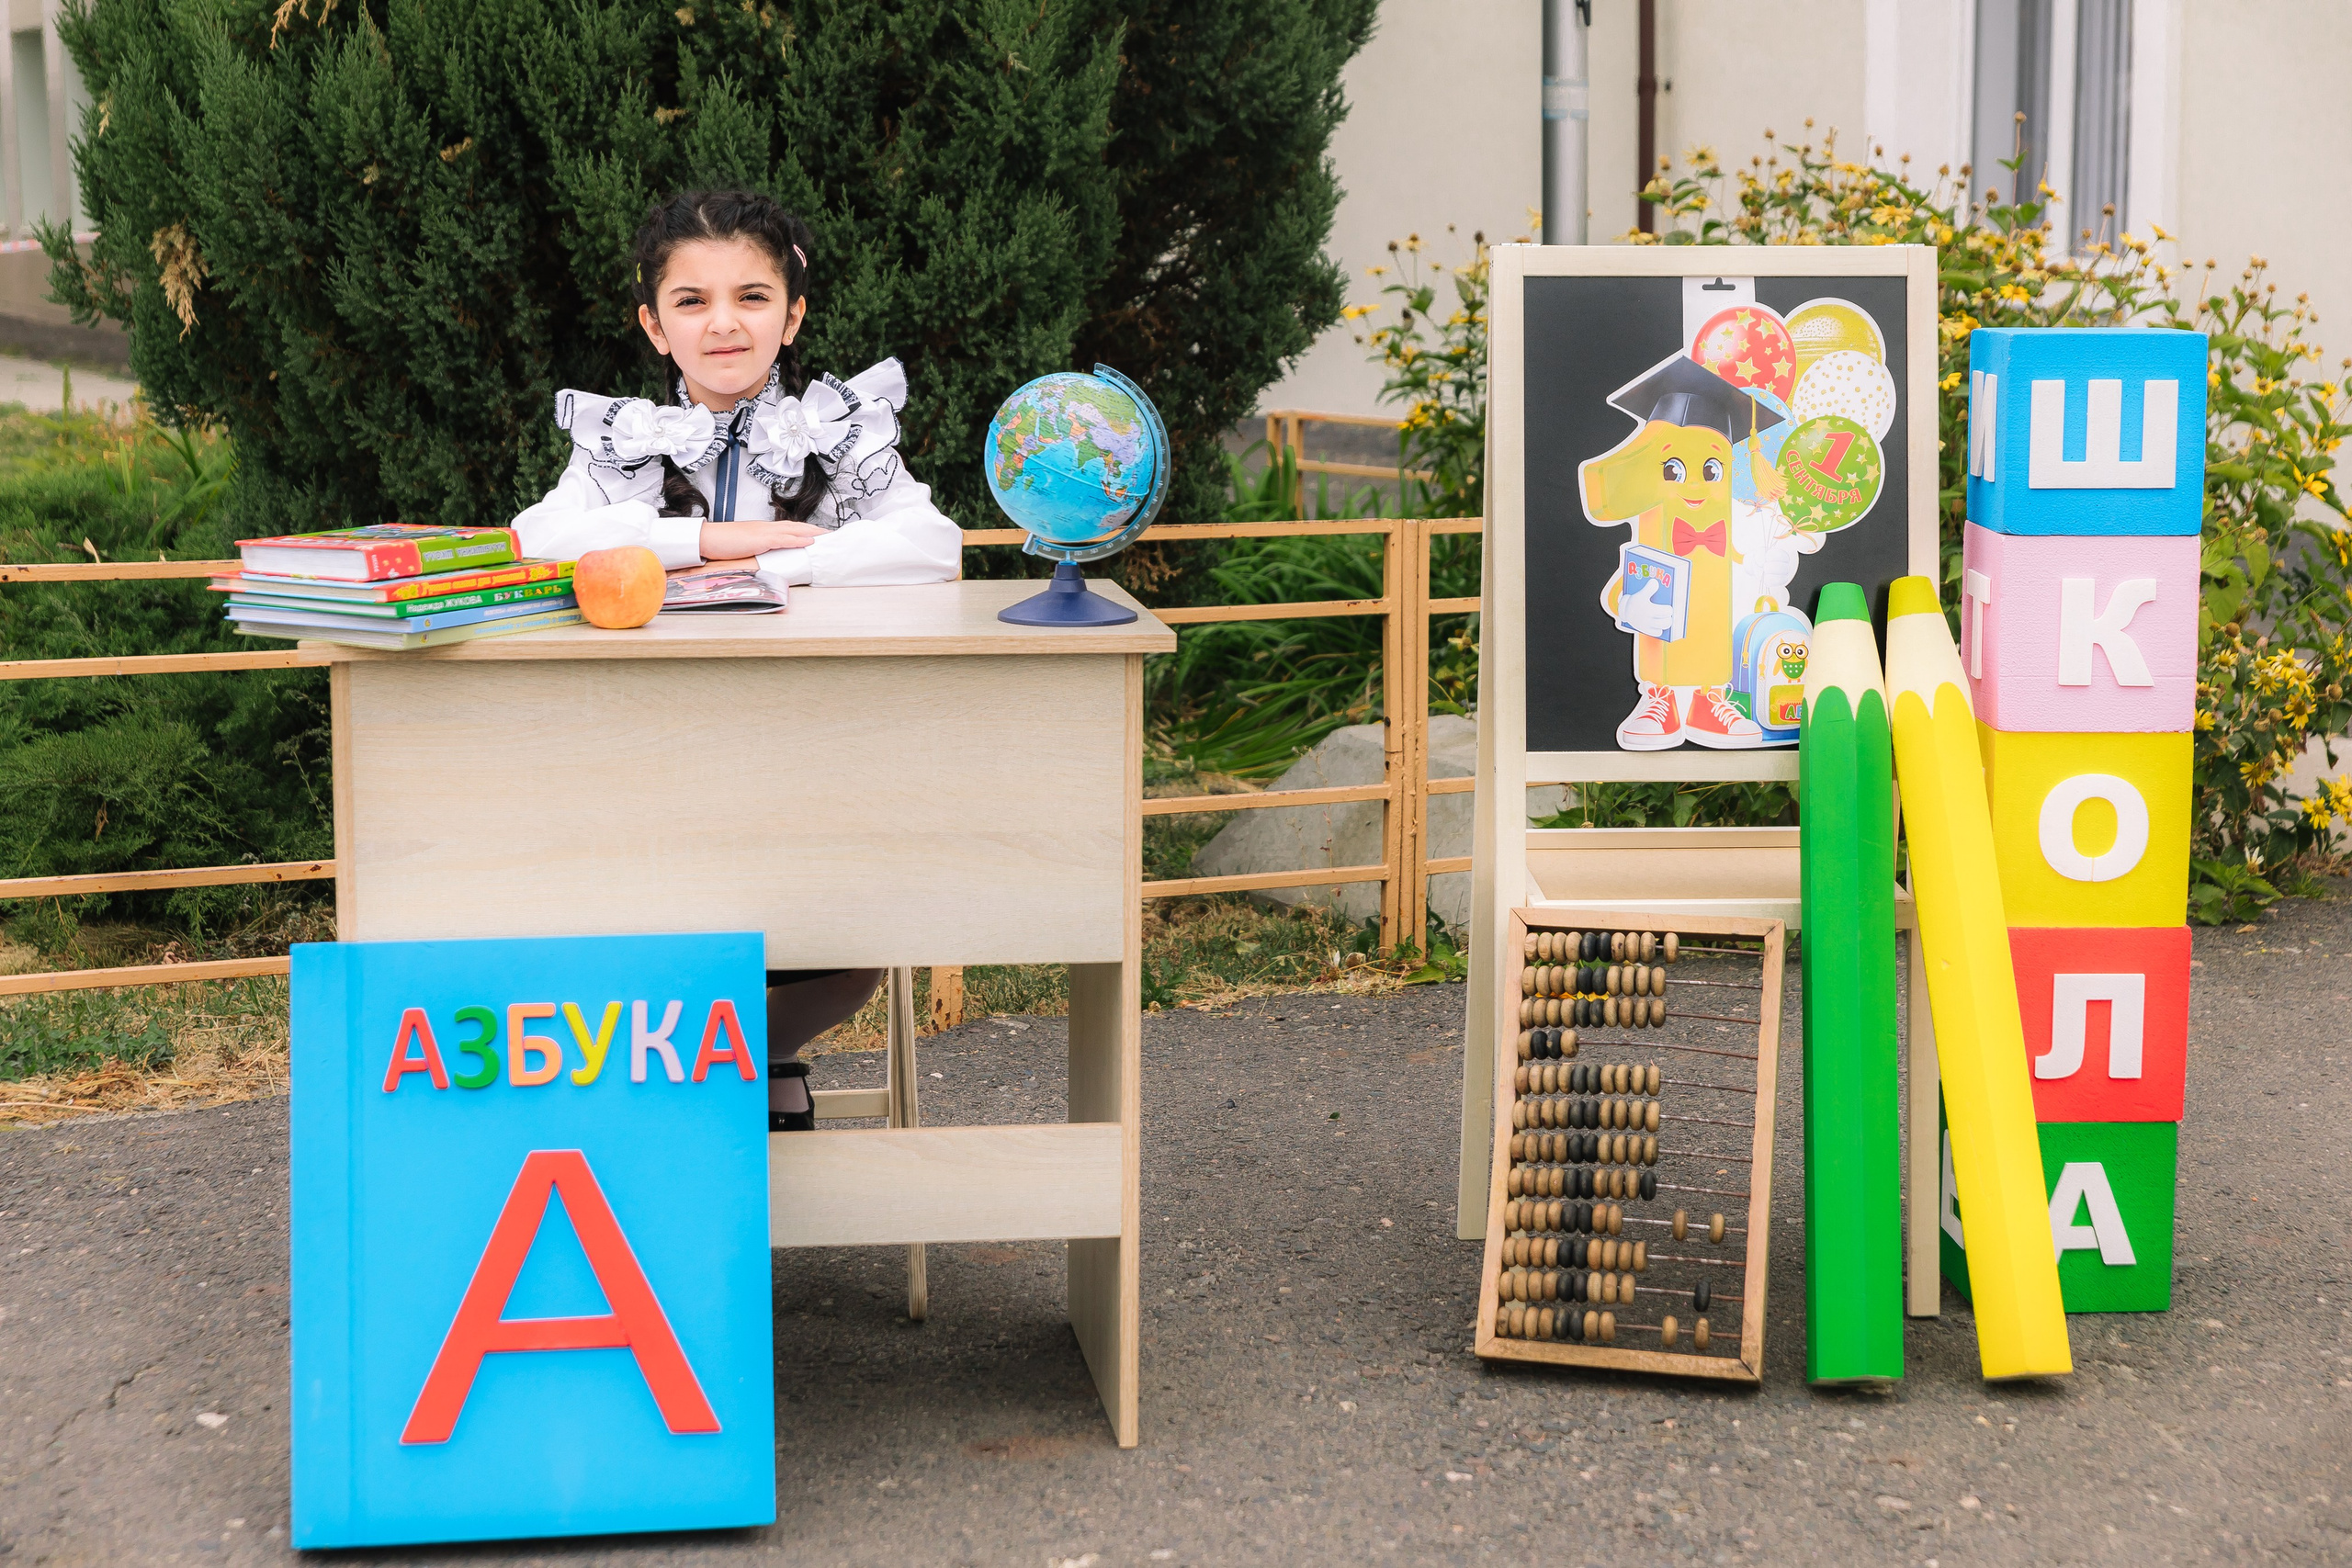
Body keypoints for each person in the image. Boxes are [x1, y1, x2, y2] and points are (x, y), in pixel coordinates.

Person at [513, 189, 961, 1132]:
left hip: (809, 747)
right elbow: (536, 544)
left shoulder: (839, 429)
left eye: (753, 297)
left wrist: (789, 557)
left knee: (843, 944)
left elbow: (933, 546)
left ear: (793, 316)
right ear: (651, 323)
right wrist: (705, 542)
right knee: (627, 901)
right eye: (691, 301)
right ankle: (684, 1081)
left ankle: (755, 1056)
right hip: (648, 749)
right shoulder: (624, 441)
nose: (723, 323)